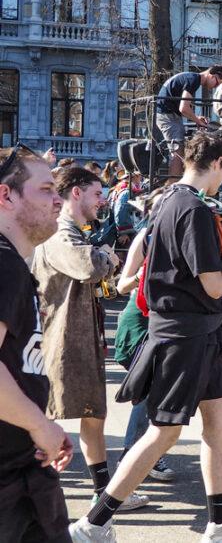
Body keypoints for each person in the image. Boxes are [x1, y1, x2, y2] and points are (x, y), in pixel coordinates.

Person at [69, 133, 222, 543]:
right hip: (185, 334)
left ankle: (221, 523)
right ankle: (95, 522)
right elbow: (213, 285)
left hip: (197, 333)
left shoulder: (169, 203)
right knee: (164, 432)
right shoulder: (192, 208)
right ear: (215, 164)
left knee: (219, 422)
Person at [31, 167, 150, 514]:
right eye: (98, 194)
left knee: (92, 415)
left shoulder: (76, 231)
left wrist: (106, 262)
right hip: (59, 338)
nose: (104, 200)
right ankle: (34, 492)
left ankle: (103, 493)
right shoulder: (59, 232)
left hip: (81, 336)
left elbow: (100, 279)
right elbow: (89, 268)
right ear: (77, 193)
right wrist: (109, 257)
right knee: (44, 414)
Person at [0, 146, 75, 542]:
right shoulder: (4, 264)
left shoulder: (14, 264)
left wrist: (39, 428)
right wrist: (38, 424)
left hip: (23, 469)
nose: (59, 198)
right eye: (45, 189)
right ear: (5, 196)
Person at [112, 192, 176, 484]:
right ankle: (134, 455)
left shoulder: (176, 238)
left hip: (163, 325)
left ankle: (143, 454)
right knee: (148, 390)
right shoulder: (145, 238)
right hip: (139, 326)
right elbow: (121, 285)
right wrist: (142, 274)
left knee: (156, 391)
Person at [154, 66, 222, 177]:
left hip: (169, 115)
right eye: (217, 83)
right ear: (212, 75)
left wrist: (196, 117)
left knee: (179, 150)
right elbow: (183, 108)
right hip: (168, 116)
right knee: (177, 152)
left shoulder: (191, 77)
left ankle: (175, 183)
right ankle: (173, 186)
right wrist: (198, 120)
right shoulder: (193, 80)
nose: (215, 87)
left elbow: (182, 106)